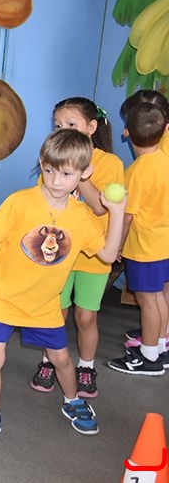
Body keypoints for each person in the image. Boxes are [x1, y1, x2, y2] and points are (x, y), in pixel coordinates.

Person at [0, 129, 125, 450]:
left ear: (85, 174)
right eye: (49, 171)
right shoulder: (20, 202)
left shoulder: (81, 217)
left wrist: (117, 211)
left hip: (43, 304)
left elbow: (108, 255)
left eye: (66, 174)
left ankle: (72, 400)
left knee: (62, 360)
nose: (55, 181)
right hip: (3, 296)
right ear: (41, 163)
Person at [28, 98, 123, 398]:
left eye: (71, 124)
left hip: (94, 255)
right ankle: (48, 361)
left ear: (92, 127)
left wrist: (80, 172)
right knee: (55, 312)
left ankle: (86, 367)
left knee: (86, 317)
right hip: (59, 253)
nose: (63, 129)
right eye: (58, 125)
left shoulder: (109, 163)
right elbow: (40, 202)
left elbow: (99, 207)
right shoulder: (55, 159)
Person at [107, 102, 169, 375]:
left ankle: (148, 356)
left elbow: (127, 217)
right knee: (158, 297)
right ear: (164, 131)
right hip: (163, 242)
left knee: (147, 301)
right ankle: (161, 346)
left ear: (126, 132)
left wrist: (117, 245)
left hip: (144, 247)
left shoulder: (136, 172)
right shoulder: (165, 159)